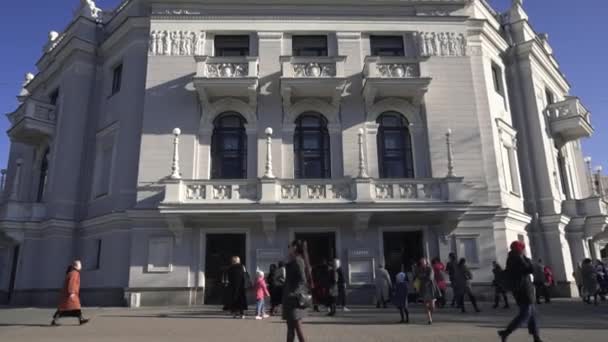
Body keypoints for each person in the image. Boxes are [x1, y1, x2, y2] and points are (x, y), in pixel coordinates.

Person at [498, 241, 543, 342]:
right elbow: (530, 269)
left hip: (519, 288)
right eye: (522, 248)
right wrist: (527, 259)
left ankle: (536, 337)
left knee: (532, 313)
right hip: (524, 289)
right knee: (526, 314)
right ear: (520, 248)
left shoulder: (511, 257)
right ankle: (506, 332)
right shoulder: (518, 257)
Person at [283, 240, 309, 342]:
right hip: (290, 298)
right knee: (290, 328)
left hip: (294, 299)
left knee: (297, 327)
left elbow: (303, 279)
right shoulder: (293, 260)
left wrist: (294, 292)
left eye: (289, 246)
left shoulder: (299, 261)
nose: (288, 248)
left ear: (294, 248)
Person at [51, 260, 89, 326]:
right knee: (75, 307)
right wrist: (71, 292)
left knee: (66, 308)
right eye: (80, 265)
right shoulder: (74, 273)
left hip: (68, 294)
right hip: (71, 294)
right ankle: (81, 319)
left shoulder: (72, 272)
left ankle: (80, 319)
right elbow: (72, 283)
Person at [417, 258, 438, 324]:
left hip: (430, 288)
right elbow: (418, 276)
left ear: (426, 262)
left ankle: (430, 316)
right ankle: (429, 319)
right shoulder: (420, 269)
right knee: (426, 304)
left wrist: (423, 276)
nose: (422, 263)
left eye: (423, 262)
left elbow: (430, 277)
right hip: (423, 288)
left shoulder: (430, 268)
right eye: (421, 262)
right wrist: (423, 276)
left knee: (432, 306)